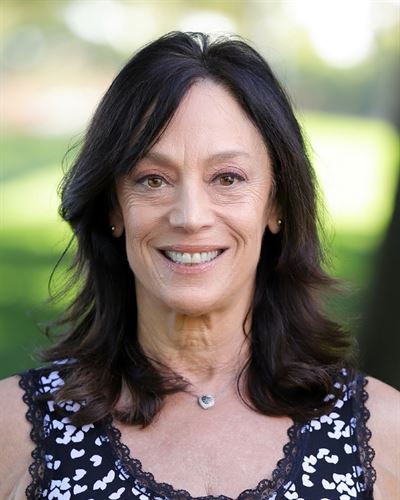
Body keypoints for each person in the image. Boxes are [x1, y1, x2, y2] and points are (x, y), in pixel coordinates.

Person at [0, 31, 398, 500]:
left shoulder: (384, 433)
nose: (190, 217)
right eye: (152, 179)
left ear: (277, 205)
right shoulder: (14, 431)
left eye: (227, 178)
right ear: (113, 209)